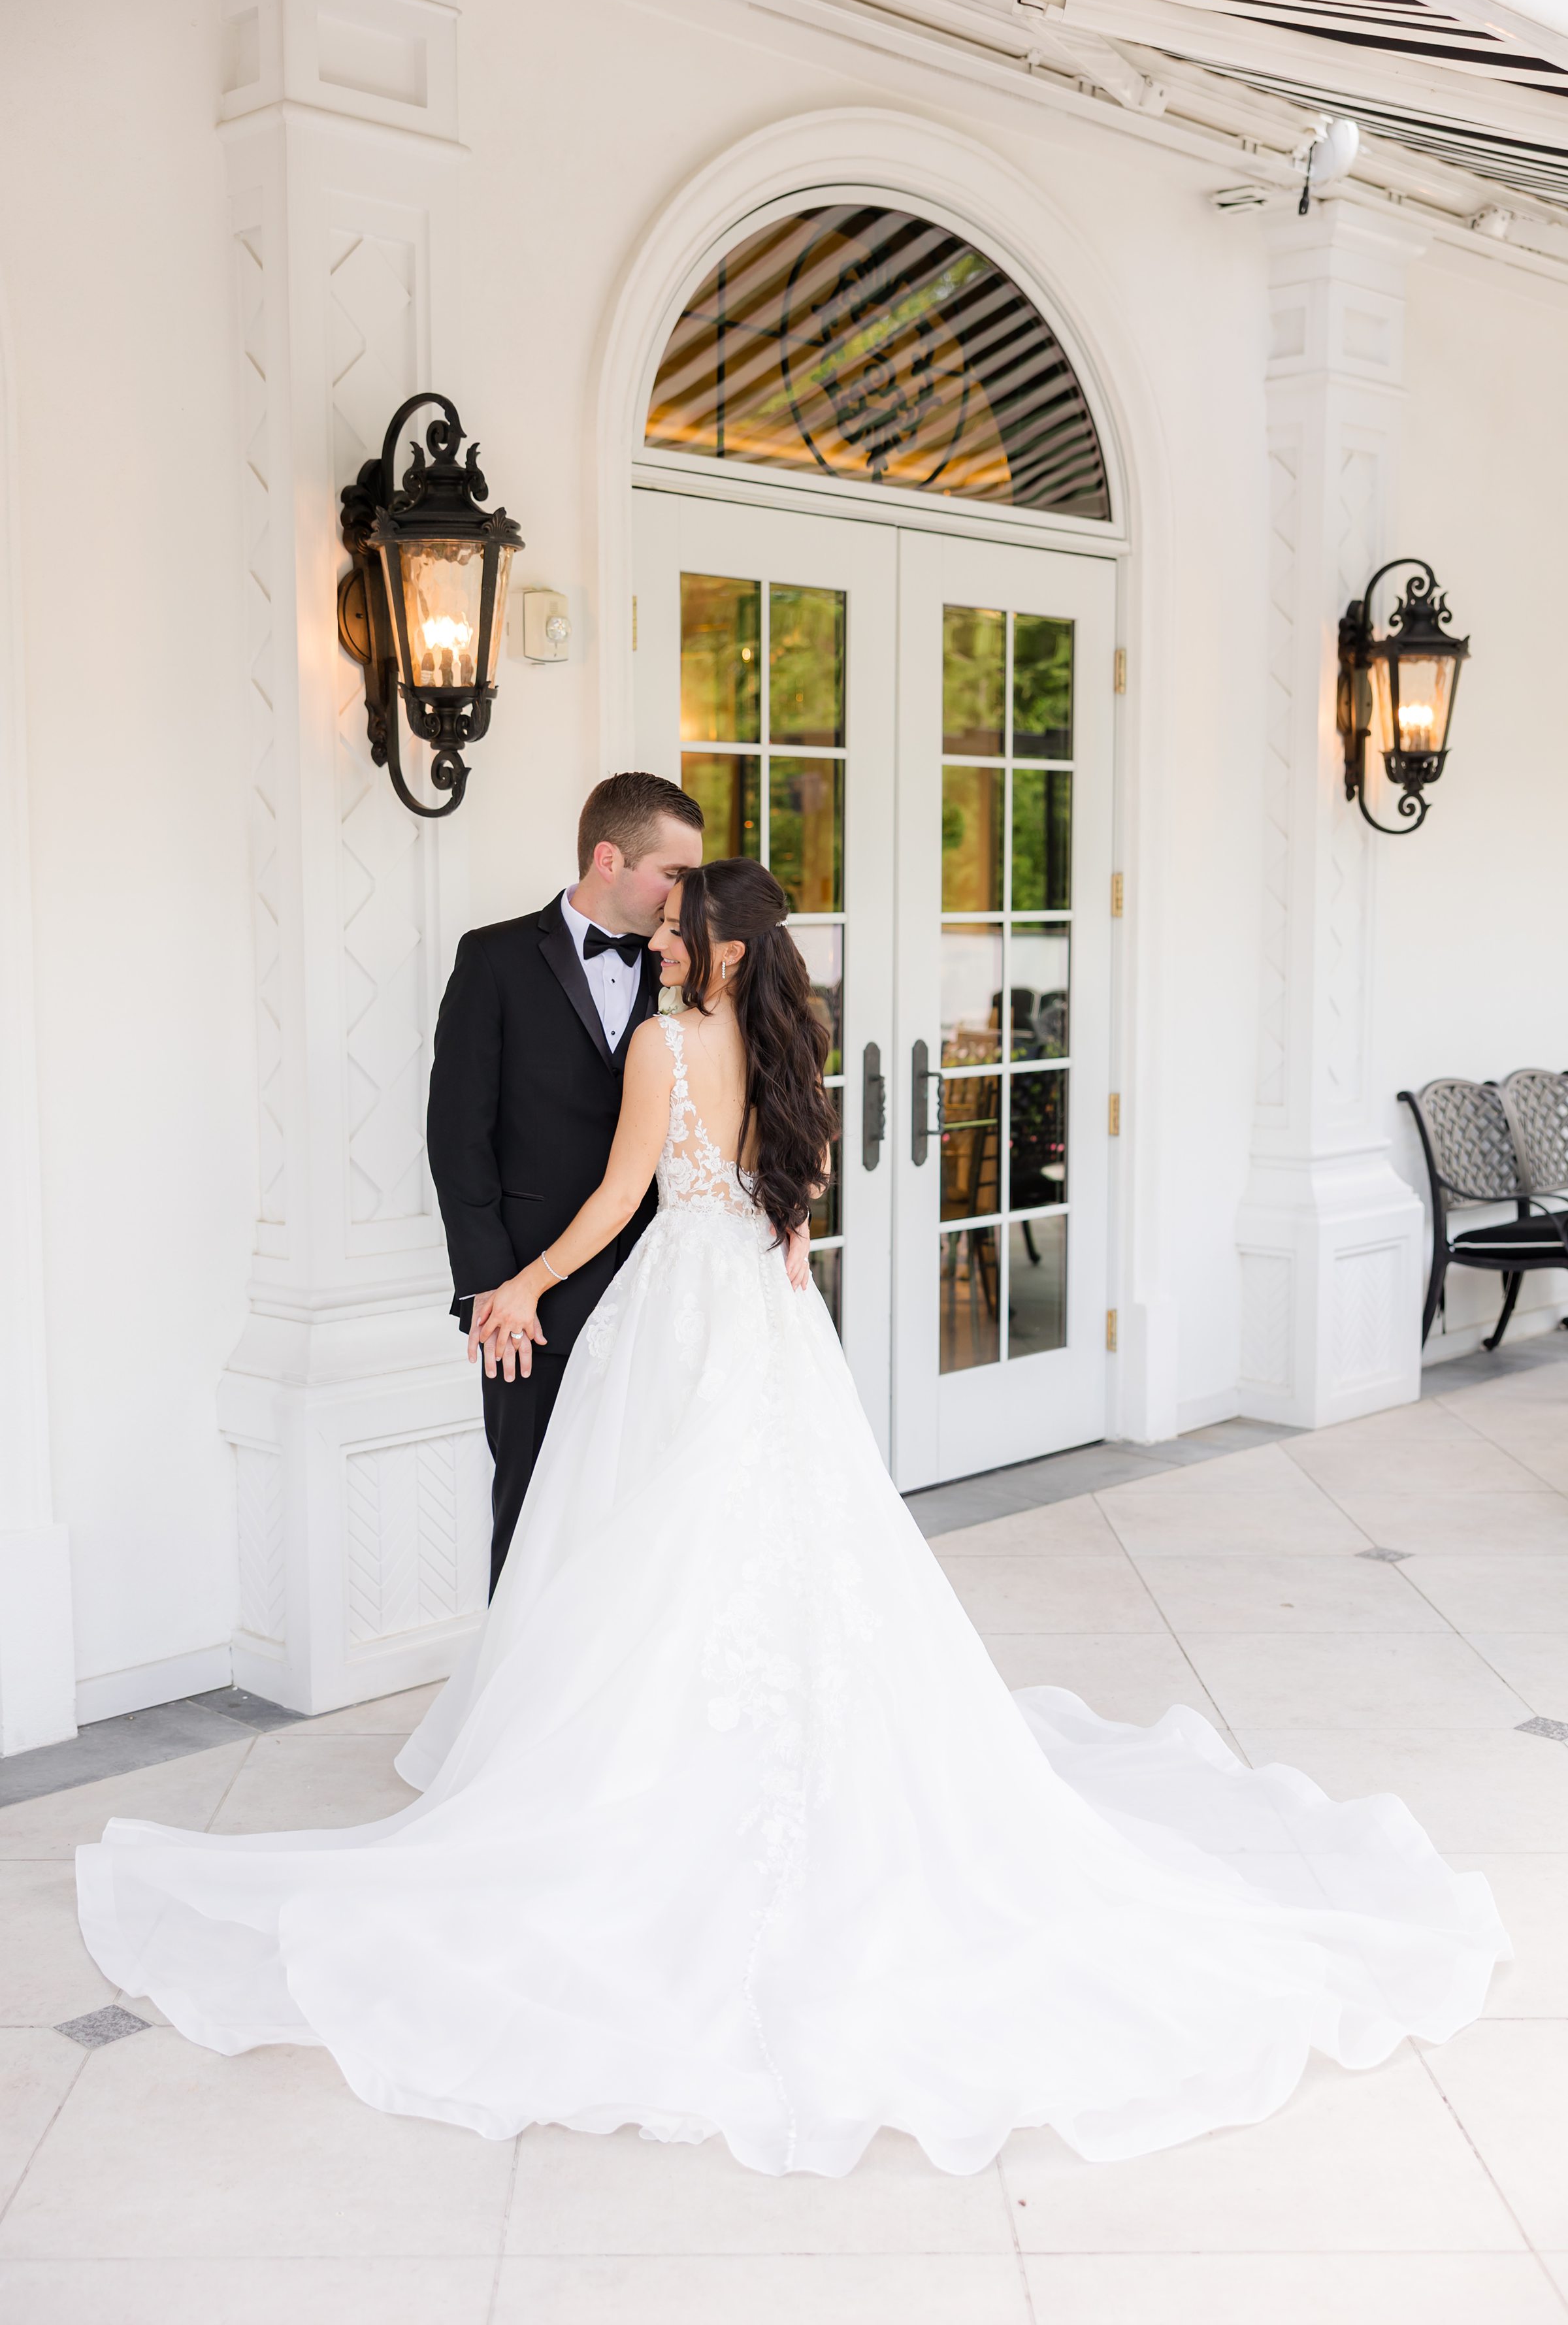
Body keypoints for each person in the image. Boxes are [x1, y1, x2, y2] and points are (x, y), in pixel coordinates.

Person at [76, 858, 1509, 2178]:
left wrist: (516, 1284)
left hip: (681, 1310)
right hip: (767, 1317)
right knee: (796, 1546)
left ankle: (634, 1769)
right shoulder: (785, 1051)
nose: (656, 941)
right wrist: (784, 1273)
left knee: (650, 1549)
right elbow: (798, 1197)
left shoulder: (662, 1044)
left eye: (673, 928)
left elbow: (620, 1197)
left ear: (709, 949)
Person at [425, 770, 704, 1595]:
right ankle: (513, 1708)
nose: (684, 895)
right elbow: (456, 1135)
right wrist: (490, 1290)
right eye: (674, 875)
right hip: (531, 1292)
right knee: (533, 1498)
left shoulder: (689, 965)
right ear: (610, 858)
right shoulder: (495, 958)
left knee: (652, 1500)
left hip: (668, 1277)